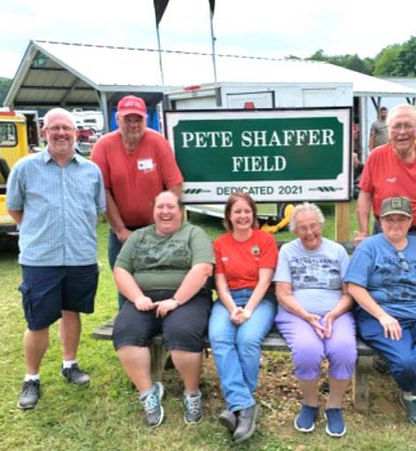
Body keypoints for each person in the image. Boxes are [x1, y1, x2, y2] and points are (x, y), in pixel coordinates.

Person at [6, 108, 106, 410]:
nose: (61, 133)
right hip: (41, 259)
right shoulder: (25, 168)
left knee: (71, 311)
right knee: (38, 321)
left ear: (76, 132)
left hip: (80, 257)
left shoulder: (91, 171)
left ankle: (70, 364)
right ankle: (32, 378)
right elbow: (15, 209)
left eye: (67, 128)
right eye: (55, 128)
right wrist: (40, 230)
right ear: (44, 131)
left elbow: (98, 210)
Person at [345, 196, 416, 428]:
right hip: (381, 316)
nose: (395, 224)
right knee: (406, 362)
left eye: (401, 219)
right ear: (380, 220)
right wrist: (382, 316)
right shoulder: (369, 247)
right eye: (389, 219)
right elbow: (355, 286)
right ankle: (411, 396)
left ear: (410, 221)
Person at [112, 191, 214, 427]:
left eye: (171, 207)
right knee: (125, 333)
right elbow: (121, 270)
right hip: (144, 299)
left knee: (182, 333)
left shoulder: (194, 234)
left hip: (188, 298)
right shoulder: (138, 237)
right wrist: (137, 297)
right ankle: (148, 394)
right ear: (153, 211)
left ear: (180, 211)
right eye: (160, 207)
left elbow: (203, 269)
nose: (165, 212)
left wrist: (176, 300)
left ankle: (192, 394)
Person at [91, 95, 184, 309]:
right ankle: (131, 333)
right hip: (123, 233)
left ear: (145, 119)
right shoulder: (103, 146)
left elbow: (175, 185)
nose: (133, 125)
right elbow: (102, 191)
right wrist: (121, 230)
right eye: (128, 119)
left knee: (162, 284)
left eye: (138, 119)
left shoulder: (157, 142)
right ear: (117, 119)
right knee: (127, 288)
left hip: (157, 230)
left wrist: (162, 225)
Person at [274, 203, 356, 437]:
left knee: (344, 350)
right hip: (296, 313)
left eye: (313, 226)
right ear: (294, 231)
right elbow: (283, 293)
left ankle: (334, 406)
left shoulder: (337, 251)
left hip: (336, 312)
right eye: (302, 228)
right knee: (307, 350)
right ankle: (310, 403)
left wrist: (332, 314)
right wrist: (307, 316)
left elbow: (348, 292)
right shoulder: (288, 251)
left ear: (321, 225)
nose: (309, 232)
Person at [208, 193, 278, 443]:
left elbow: (265, 281)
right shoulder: (220, 244)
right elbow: (221, 283)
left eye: (247, 211)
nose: (242, 216)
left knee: (247, 339)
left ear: (253, 213)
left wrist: (248, 309)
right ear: (229, 216)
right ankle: (245, 406)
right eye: (237, 211)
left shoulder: (265, 240)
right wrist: (232, 308)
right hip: (229, 300)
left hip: (260, 300)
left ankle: (236, 406)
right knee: (219, 337)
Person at [355, 103, 416, 265]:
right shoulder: (376, 157)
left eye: (408, 126)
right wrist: (363, 232)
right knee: (382, 284)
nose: (402, 132)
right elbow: (365, 195)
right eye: (397, 126)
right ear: (388, 130)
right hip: (385, 233)